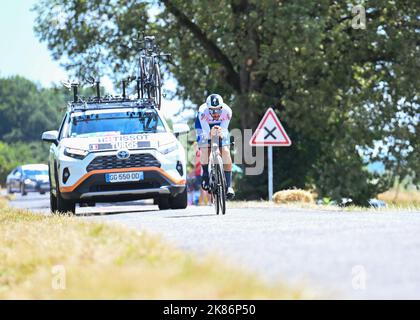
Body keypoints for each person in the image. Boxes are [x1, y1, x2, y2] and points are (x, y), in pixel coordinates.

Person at [194, 94, 234, 199]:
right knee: (204, 148)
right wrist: (210, 136)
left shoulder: (227, 111)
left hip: (221, 126)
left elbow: (223, 130)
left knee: (225, 150)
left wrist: (220, 136)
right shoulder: (202, 112)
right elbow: (207, 133)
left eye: (217, 111)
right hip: (204, 126)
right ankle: (206, 176)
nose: (215, 114)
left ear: (222, 108)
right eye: (212, 111)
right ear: (208, 109)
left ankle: (229, 186)